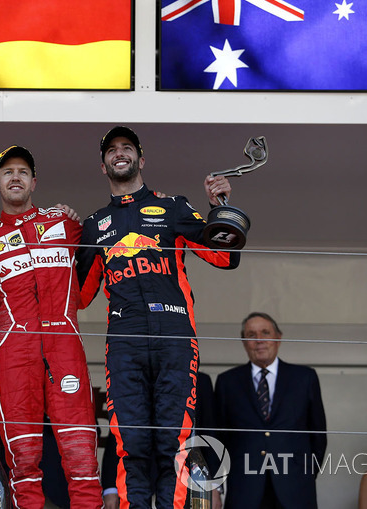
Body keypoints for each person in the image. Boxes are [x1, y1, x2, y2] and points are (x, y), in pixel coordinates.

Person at [76, 126, 240, 509]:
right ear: (103, 165)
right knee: (130, 444)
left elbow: (225, 256)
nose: (120, 153)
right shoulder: (94, 225)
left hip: (175, 337)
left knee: (174, 443)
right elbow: (80, 297)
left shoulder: (174, 208)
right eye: (112, 150)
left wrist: (220, 207)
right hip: (125, 342)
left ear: (141, 159)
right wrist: (66, 231)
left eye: (127, 148)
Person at [0, 146, 102, 508]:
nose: (15, 177)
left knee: (82, 459)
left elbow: (92, 279)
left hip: (65, 351)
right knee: (23, 462)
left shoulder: (65, 224)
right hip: (14, 357)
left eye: (22, 171)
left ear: (34, 181)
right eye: (7, 172)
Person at [214, 312, 327, 509]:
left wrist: (304, 474)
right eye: (251, 335)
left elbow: (318, 435)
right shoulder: (227, 381)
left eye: (265, 332)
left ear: (278, 338)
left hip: (296, 489)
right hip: (244, 489)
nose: (259, 340)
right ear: (243, 341)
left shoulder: (305, 378)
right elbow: (219, 438)